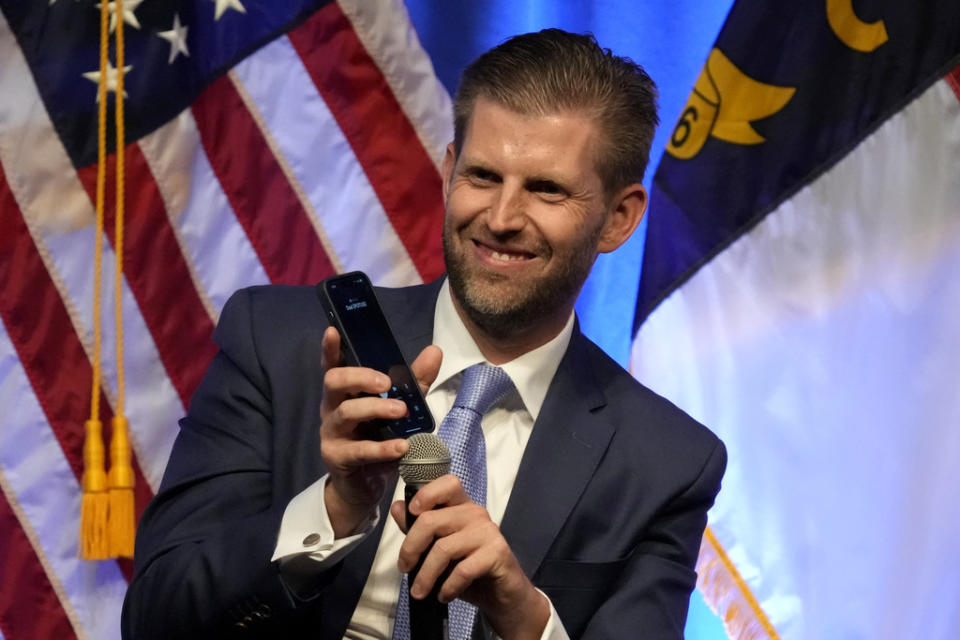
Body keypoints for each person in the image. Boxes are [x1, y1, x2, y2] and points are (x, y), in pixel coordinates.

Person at [122, 29, 726, 639]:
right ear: (447, 173)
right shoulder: (279, 345)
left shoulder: (666, 461)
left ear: (618, 218)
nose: (500, 218)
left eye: (546, 189)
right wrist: (335, 509)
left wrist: (521, 612)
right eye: (484, 176)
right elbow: (154, 620)